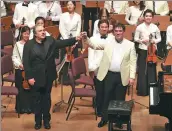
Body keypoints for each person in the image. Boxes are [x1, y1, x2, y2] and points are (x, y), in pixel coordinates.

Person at [23, 25, 81, 130]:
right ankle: (37, 121)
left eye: (44, 30)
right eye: (40, 31)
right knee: (37, 100)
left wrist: (75, 39)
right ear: (35, 34)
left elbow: (61, 43)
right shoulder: (29, 45)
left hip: (48, 75)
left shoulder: (49, 40)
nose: (43, 32)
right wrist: (29, 77)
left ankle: (46, 120)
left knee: (46, 99)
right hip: (35, 77)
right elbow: (26, 63)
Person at [83, 23, 137, 128]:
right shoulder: (108, 42)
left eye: (120, 31)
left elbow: (133, 62)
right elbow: (94, 45)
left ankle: (119, 121)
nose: (118, 33)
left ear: (123, 32)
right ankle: (104, 119)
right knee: (106, 98)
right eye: (116, 31)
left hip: (122, 76)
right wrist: (86, 38)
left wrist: (132, 77)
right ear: (113, 32)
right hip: (109, 75)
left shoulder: (130, 45)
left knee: (120, 99)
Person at [88, 19, 114, 117]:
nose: (104, 29)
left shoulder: (112, 38)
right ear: (98, 28)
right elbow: (91, 54)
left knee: (109, 90)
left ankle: (107, 110)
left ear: (108, 28)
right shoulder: (93, 39)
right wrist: (91, 69)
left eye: (105, 27)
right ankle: (99, 110)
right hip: (97, 68)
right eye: (102, 27)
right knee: (100, 90)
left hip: (110, 68)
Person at [134, 9, 161, 96]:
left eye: (150, 16)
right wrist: (142, 40)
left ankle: (152, 90)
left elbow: (159, 38)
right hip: (143, 49)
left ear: (152, 17)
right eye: (146, 16)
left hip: (152, 50)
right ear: (144, 17)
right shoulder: (139, 27)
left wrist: (154, 41)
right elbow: (135, 38)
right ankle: (142, 90)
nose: (148, 17)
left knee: (152, 69)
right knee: (142, 70)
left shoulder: (155, 27)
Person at [59, 1, 81, 84]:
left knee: (73, 60)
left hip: (74, 40)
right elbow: (61, 28)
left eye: (71, 4)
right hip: (64, 40)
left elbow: (78, 29)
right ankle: (64, 79)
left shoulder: (78, 16)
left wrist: (74, 41)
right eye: (68, 5)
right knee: (64, 60)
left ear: (74, 6)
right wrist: (67, 41)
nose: (69, 6)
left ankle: (75, 79)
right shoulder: (63, 15)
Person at [12, 26, 33, 114]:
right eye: (25, 33)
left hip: (30, 70)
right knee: (21, 89)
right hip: (20, 70)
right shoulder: (17, 44)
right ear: (21, 34)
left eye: (28, 33)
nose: (26, 35)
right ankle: (21, 108)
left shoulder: (32, 44)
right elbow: (14, 57)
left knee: (30, 89)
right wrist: (20, 65)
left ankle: (29, 108)